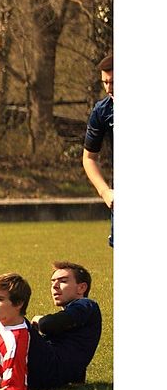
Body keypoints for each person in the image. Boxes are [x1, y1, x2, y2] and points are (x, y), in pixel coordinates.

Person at [26, 262, 102, 390]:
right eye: (52, 282)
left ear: (81, 288)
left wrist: (37, 320)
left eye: (63, 281)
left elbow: (47, 325)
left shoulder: (85, 305)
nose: (55, 286)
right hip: (55, 372)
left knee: (12, 317)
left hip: (51, 372)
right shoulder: (76, 312)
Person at [82, 55, 114, 247]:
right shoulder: (102, 111)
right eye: (105, 82)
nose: (109, 88)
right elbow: (89, 158)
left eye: (114, 82)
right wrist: (105, 192)